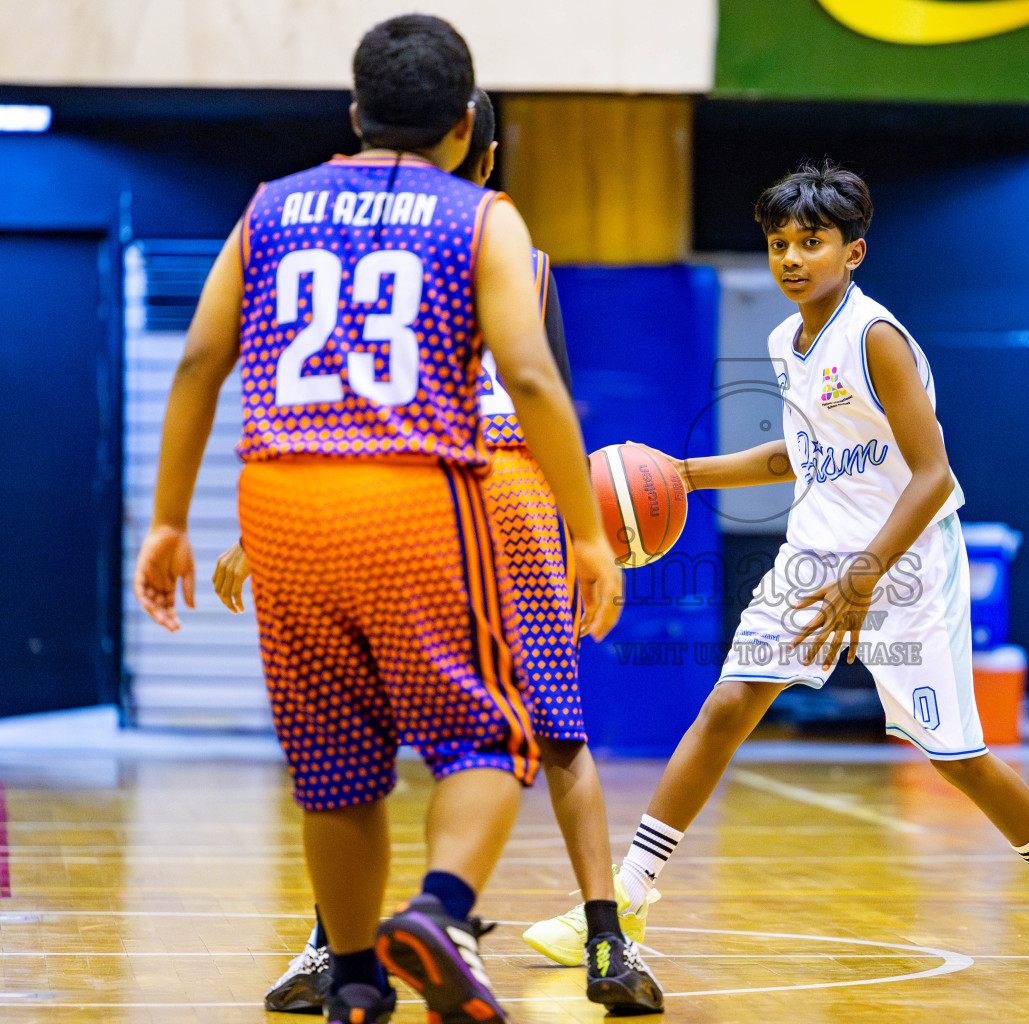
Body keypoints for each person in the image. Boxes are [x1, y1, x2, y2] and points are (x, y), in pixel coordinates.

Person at [132, 18, 626, 1024]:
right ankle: (439, 914)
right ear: (462, 126)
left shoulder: (269, 207)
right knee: (490, 738)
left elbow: (196, 361)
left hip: (279, 501)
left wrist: (168, 521)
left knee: (334, 768)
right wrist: (585, 531)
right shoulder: (484, 218)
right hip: (410, 493)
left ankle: (355, 980)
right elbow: (531, 377)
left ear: (353, 113)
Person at [527, 160, 1029, 968]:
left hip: (905, 559)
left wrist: (866, 574)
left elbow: (934, 473)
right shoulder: (786, 340)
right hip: (815, 554)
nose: (792, 259)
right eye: (778, 244)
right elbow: (798, 456)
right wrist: (688, 473)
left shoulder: (875, 338)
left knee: (953, 755)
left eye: (812, 242)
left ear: (855, 252)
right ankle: (623, 900)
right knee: (726, 708)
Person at [241, 88, 662, 1016]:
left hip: (410, 487)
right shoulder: (507, 241)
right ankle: (603, 941)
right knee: (554, 732)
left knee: (357, 739)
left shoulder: (333, 237)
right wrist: (582, 531)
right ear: (479, 146)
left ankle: (338, 953)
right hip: (494, 492)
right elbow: (545, 392)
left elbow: (319, 409)